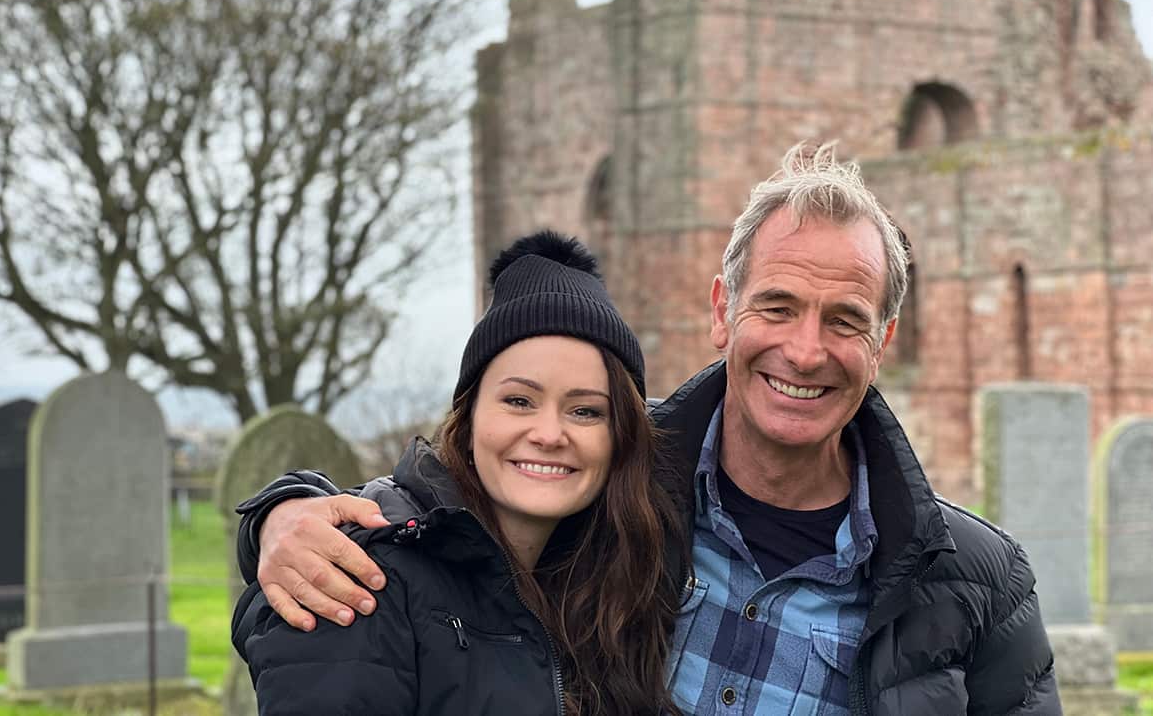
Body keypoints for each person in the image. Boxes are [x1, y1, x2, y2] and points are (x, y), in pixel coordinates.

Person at [237, 142, 1062, 715]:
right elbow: (445, 522)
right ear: (720, 312)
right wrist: (286, 516)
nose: (805, 350)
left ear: (883, 342)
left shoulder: (980, 581)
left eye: (844, 321)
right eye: (775, 306)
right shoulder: (604, 484)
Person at [232, 231, 683, 716]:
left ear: (621, 440)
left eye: (586, 411)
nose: (549, 433)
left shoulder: (611, 583)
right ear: (468, 420)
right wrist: (276, 511)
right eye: (518, 401)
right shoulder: (360, 579)